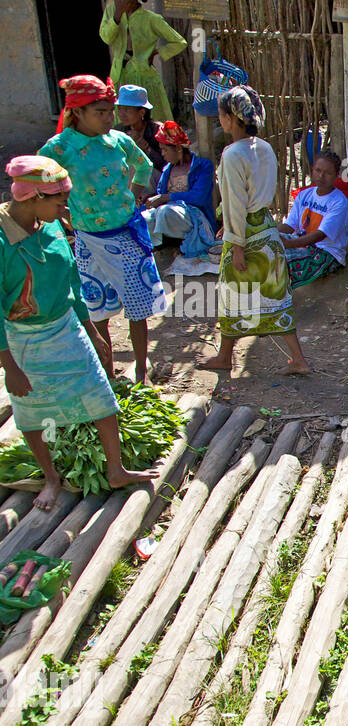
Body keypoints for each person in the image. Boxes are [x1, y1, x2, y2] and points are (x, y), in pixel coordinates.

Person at [0, 157, 158, 511]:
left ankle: (116, 470)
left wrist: (92, 331)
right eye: (57, 200)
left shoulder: (53, 227)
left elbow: (73, 281)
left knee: (101, 396)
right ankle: (51, 478)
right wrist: (10, 367)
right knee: (31, 413)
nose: (64, 207)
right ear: (31, 198)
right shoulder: (1, 239)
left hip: (66, 328)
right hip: (23, 340)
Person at [40, 75, 165, 385]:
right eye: (101, 112)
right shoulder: (60, 147)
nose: (109, 118)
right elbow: (39, 179)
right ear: (77, 112)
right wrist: (61, 210)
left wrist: (137, 191)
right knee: (98, 310)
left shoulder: (118, 141)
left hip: (125, 234)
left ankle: (140, 371)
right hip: (86, 239)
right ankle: (107, 373)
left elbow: (145, 164)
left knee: (138, 308)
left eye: (111, 111)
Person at [200, 85, 309, 375]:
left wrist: (235, 245)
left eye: (221, 115)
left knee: (231, 294)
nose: (220, 120)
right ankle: (298, 359)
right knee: (276, 295)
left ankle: (225, 357)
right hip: (268, 233)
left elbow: (235, 203)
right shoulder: (266, 148)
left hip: (245, 235)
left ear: (230, 117)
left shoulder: (232, 154)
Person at [99, 0, 187, 124]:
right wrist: (117, 16)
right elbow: (106, 37)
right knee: (122, 119)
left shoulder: (151, 18)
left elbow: (180, 42)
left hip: (145, 76)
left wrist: (158, 52)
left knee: (151, 119)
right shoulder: (111, 11)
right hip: (120, 74)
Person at [141, 121, 217, 255]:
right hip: (168, 212)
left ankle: (176, 241)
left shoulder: (203, 166)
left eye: (165, 149)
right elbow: (160, 194)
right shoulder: (167, 170)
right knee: (143, 218)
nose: (162, 154)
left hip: (194, 216)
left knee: (166, 212)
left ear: (178, 148)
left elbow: (200, 197)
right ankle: (163, 243)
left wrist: (168, 197)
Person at [279, 150, 348, 288]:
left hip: (326, 252)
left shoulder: (339, 202)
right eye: (318, 170)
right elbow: (290, 226)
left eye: (328, 173)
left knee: (281, 260)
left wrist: (287, 245)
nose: (321, 176)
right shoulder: (304, 195)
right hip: (302, 241)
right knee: (265, 247)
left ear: (336, 176)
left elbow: (320, 235)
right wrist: (270, 234)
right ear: (312, 170)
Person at [114, 84, 164, 191]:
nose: (121, 114)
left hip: (155, 179)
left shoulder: (157, 130)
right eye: (120, 109)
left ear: (141, 112)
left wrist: (145, 147)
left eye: (127, 110)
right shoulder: (118, 131)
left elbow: (166, 164)